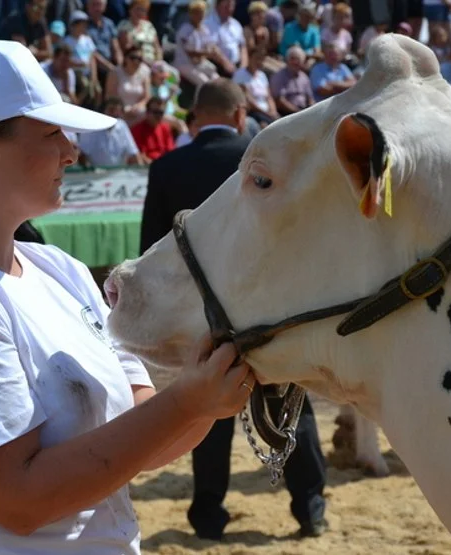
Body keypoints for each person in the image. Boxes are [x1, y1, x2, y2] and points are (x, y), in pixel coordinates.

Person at [0, 39, 257, 554]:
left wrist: (216, 386)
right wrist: (190, 399)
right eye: (52, 132)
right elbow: (19, 500)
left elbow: (145, 434)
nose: (71, 150)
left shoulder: (59, 269)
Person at [138, 78, 329, 541]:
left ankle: (208, 514)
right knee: (292, 410)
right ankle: (310, 508)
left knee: (209, 411)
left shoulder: (166, 167)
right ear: (242, 114)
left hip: (203, 317)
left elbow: (150, 252)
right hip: (273, 310)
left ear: (195, 117)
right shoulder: (266, 164)